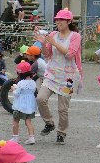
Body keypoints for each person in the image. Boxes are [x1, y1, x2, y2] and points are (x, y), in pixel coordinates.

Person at [34, 9, 82, 145]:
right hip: (52, 74)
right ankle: (49, 122)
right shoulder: (53, 34)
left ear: (69, 21)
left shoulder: (75, 36)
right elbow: (47, 54)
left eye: (61, 19)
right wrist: (43, 43)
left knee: (63, 108)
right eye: (57, 19)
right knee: (40, 98)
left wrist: (54, 43)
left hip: (69, 77)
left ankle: (61, 132)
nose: (58, 22)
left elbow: (70, 54)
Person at [11, 61, 36, 145]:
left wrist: (13, 89)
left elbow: (16, 94)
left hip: (20, 106)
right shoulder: (33, 82)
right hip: (30, 106)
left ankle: (15, 138)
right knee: (28, 122)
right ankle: (31, 138)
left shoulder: (20, 83)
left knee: (15, 121)